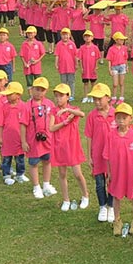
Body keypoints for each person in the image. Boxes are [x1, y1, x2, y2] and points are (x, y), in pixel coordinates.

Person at [48, 83, 89, 212]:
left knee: (77, 174)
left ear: (68, 97)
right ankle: (66, 199)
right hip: (59, 146)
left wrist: (67, 111)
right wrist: (64, 123)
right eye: (56, 96)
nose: (58, 99)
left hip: (72, 146)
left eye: (61, 96)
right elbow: (51, 128)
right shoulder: (54, 111)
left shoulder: (73, 110)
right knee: (62, 173)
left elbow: (81, 114)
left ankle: (85, 195)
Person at [104, 102, 133, 236]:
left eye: (124, 117)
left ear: (130, 118)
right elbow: (107, 156)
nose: (121, 120)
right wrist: (109, 173)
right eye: (118, 117)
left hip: (131, 172)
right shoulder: (111, 135)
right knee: (115, 196)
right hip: (116, 172)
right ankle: (117, 220)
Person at [20, 77, 57, 200]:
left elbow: (53, 119)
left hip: (47, 140)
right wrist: (24, 141)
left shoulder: (49, 104)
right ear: (31, 90)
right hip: (33, 141)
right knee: (34, 163)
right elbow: (23, 125)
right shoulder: (26, 106)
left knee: (47, 161)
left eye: (42, 90)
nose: (39, 92)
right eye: (37, 89)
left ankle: (46, 184)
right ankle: (36, 186)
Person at [84, 83, 116, 222]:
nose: (97, 102)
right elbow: (89, 136)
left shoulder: (116, 114)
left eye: (99, 98)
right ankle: (102, 206)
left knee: (113, 181)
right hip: (97, 154)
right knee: (99, 183)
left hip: (113, 155)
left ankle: (111, 206)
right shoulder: (92, 115)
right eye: (94, 99)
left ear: (108, 98)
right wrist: (89, 155)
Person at [0, 81, 28, 185]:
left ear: (18, 95)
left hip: (19, 138)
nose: (8, 96)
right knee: (6, 158)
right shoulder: (3, 107)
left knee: (20, 158)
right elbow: (0, 124)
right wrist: (0, 138)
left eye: (10, 94)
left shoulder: (24, 107)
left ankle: (20, 174)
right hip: (7, 138)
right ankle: (6, 175)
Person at [55, 28, 79, 100]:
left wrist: (76, 64)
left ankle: (71, 95)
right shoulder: (59, 44)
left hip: (71, 66)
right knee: (63, 81)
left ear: (69, 35)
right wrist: (56, 64)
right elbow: (57, 55)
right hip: (62, 66)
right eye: (63, 35)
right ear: (61, 35)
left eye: (67, 35)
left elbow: (75, 55)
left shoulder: (72, 44)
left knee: (71, 81)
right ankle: (64, 94)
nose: (65, 36)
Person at [106, 31, 130, 103]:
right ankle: (114, 97)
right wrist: (109, 69)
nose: (123, 41)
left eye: (123, 40)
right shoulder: (111, 49)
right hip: (114, 67)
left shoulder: (124, 48)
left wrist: (127, 66)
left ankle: (121, 97)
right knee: (115, 83)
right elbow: (109, 60)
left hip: (122, 66)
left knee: (121, 83)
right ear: (116, 40)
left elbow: (125, 58)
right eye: (121, 39)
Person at [78, 30, 100, 101]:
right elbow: (80, 59)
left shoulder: (95, 48)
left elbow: (97, 58)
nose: (87, 38)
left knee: (93, 82)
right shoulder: (82, 48)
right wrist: (81, 68)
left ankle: (92, 96)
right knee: (85, 83)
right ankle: (85, 96)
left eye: (89, 36)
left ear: (92, 38)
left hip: (92, 68)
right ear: (84, 38)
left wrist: (96, 67)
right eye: (86, 36)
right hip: (85, 68)